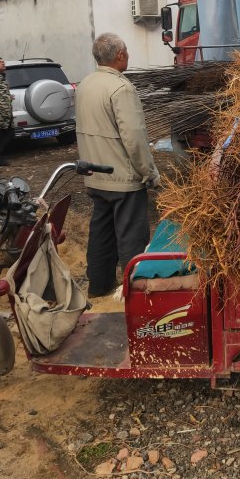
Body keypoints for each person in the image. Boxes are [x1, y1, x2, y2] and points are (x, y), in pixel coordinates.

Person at [75, 33, 160, 297]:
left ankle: (99, 288)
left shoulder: (85, 84)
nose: (129, 56)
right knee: (131, 237)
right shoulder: (121, 88)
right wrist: (150, 173)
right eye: (127, 52)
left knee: (101, 233)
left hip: (94, 174)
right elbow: (134, 140)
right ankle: (134, 293)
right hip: (122, 178)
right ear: (120, 55)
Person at [0, 57, 14, 167]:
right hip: (0, 115)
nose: (3, 63)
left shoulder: (2, 78)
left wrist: (9, 97)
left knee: (10, 134)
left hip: (6, 115)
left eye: (3, 61)